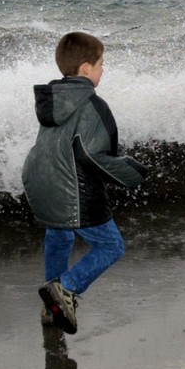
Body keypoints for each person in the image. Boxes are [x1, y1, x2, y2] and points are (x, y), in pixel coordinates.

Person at [22, 31, 148, 335]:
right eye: (101, 63)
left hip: (39, 180)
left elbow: (67, 145)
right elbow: (92, 154)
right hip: (72, 190)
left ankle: (53, 307)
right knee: (111, 245)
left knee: (60, 236)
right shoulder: (92, 103)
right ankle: (66, 288)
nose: (103, 70)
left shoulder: (53, 101)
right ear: (86, 69)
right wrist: (132, 172)